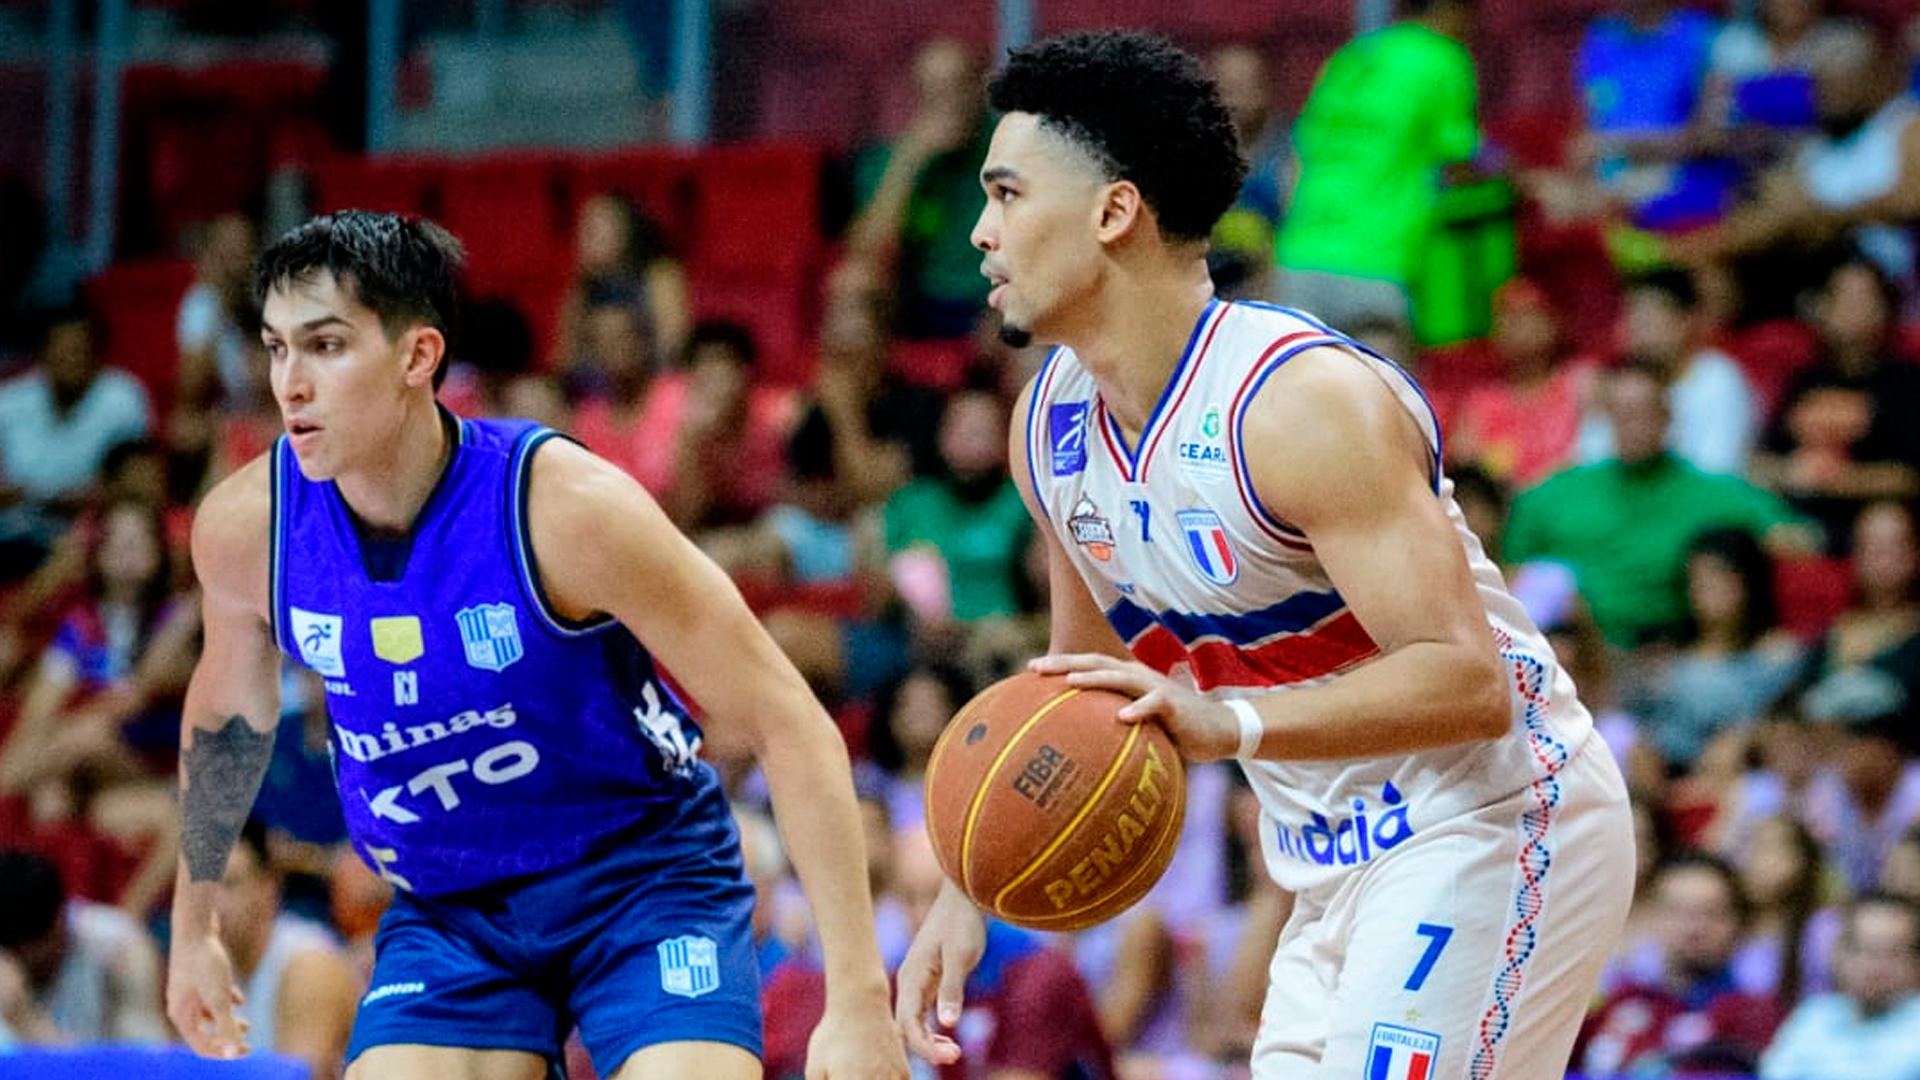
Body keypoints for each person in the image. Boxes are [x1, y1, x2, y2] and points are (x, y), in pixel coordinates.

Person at [894, 32, 1636, 1080]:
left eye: (1007, 195)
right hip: (1326, 869)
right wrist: (970, 894)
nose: (981, 233)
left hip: (1493, 820)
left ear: (1114, 211)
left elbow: (1469, 680)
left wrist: (1225, 722)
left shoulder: (1298, 405)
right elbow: (1077, 692)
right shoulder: (1048, 426)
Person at [163, 210, 907, 1080]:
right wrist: (193, 929)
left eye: (325, 346)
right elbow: (225, 724)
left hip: (642, 878)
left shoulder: (566, 508)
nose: (289, 381)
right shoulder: (245, 528)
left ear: (418, 356)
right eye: (276, 347)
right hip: (452, 905)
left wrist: (857, 1002)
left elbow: (790, 722)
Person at [213, 818, 359, 1079]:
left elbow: (300, 1076)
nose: (215, 904)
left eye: (230, 884)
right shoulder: (213, 970)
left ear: (269, 888)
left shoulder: (309, 966)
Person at [1758, 892, 1920, 1080]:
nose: (1875, 966)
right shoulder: (1814, 1014)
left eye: (1892, 952)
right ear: (1838, 953)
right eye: (1862, 949)